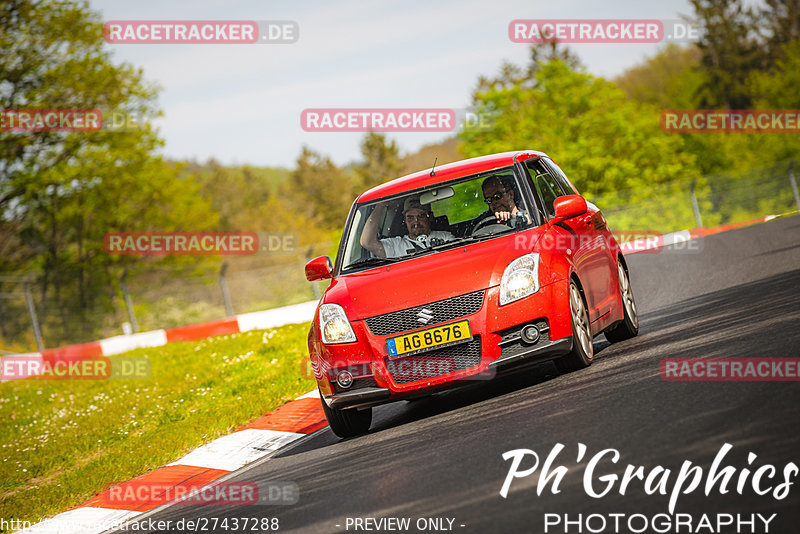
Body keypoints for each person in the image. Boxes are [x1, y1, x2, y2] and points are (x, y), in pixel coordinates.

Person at [360, 196, 455, 258]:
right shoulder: (395, 245)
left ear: (430, 217)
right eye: (410, 217)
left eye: (421, 216)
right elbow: (367, 242)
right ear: (405, 220)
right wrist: (380, 206)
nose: (416, 222)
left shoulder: (445, 237)